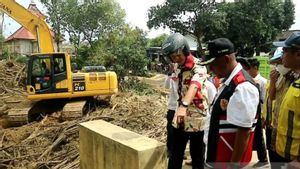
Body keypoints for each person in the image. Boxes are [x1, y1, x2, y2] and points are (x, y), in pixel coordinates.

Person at [200, 38, 260, 168]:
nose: (210, 69)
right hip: (217, 157)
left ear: (226, 59)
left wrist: (234, 165)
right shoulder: (229, 82)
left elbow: (244, 130)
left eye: (212, 63)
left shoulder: (242, 87)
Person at [162, 33, 208, 169]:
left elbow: (194, 86)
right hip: (180, 117)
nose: (176, 58)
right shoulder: (177, 67)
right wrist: (179, 109)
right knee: (175, 152)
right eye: (172, 56)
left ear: (185, 50)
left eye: (178, 55)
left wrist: (184, 106)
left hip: (196, 117)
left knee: (197, 155)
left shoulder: (199, 67)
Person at [272, 31, 300, 169]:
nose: (282, 55)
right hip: (286, 155)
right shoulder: (295, 80)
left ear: (298, 54)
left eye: (285, 50)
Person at [237, 57, 269, 168]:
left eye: (248, 69)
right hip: (251, 112)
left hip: (258, 112)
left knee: (259, 137)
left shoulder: (263, 82)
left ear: (255, 68)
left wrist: (263, 115)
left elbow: (264, 100)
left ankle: (263, 158)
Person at [164, 63, 179, 158]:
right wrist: (170, 73)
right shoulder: (172, 76)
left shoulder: (184, 75)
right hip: (172, 108)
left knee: (180, 132)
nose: (174, 66)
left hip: (182, 108)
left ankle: (177, 151)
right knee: (171, 131)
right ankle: (170, 150)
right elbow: (166, 86)